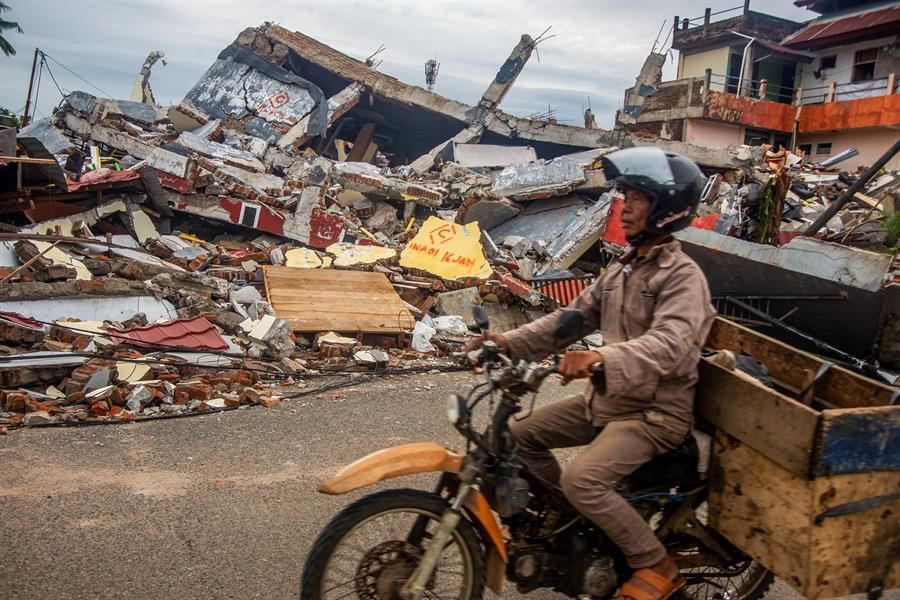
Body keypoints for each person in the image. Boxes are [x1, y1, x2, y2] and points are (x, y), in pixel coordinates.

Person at [467, 147, 715, 600]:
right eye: (626, 195)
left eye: (638, 197)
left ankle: (657, 565)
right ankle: (573, 523)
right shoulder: (623, 268)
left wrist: (601, 360)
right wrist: (505, 342)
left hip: (654, 414)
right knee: (518, 434)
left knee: (583, 479)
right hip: (609, 401)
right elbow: (572, 319)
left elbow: (674, 343)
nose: (627, 205)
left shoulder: (682, 276)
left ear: (667, 208)